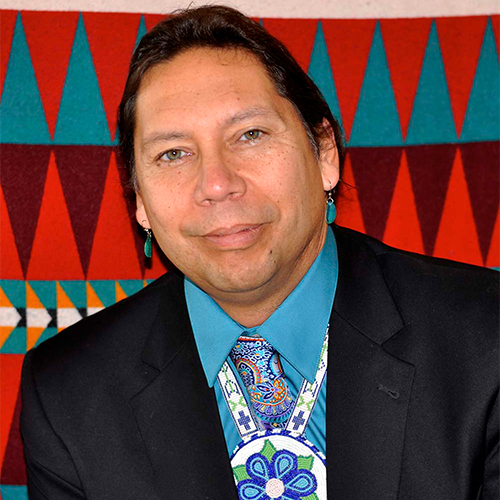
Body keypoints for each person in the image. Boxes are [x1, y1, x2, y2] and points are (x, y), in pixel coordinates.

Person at [21, 6, 498, 500]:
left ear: (325, 153)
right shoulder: (67, 395)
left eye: (250, 135)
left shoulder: (487, 340)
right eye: (173, 153)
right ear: (140, 200)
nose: (217, 184)